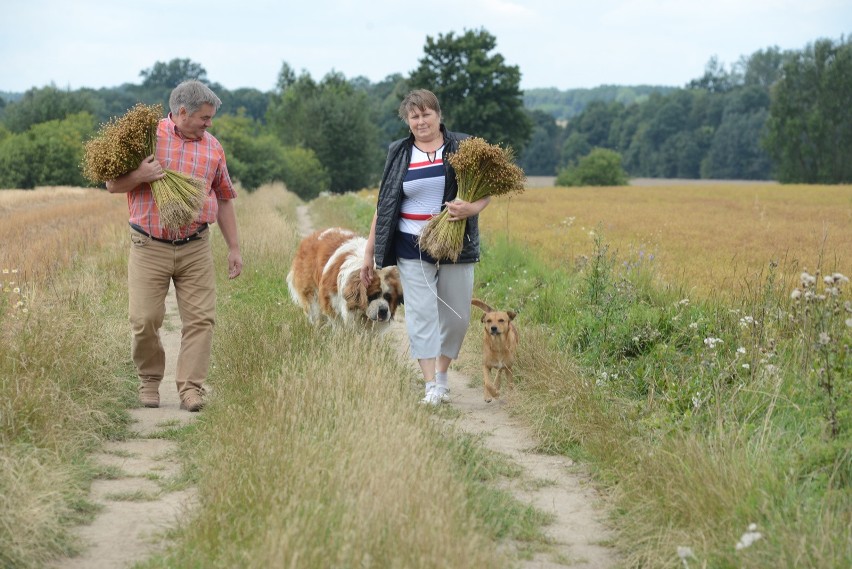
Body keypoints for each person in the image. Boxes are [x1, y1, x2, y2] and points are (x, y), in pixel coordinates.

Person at [106, 80, 243, 412]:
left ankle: (191, 388)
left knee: (201, 319)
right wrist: (141, 174)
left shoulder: (213, 148)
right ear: (182, 113)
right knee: (144, 319)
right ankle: (149, 381)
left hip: (195, 245)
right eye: (204, 118)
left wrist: (234, 247)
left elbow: (224, 198)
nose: (209, 124)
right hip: (148, 244)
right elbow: (112, 184)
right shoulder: (145, 138)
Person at [360, 89, 490, 405]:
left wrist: (471, 209)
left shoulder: (462, 147)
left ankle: (444, 372)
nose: (421, 121)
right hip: (410, 245)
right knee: (421, 314)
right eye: (414, 116)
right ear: (408, 121)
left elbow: (488, 189)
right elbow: (385, 203)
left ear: (438, 115)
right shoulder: (399, 152)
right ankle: (432, 384)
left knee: (457, 317)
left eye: (426, 114)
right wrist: (369, 251)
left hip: (455, 245)